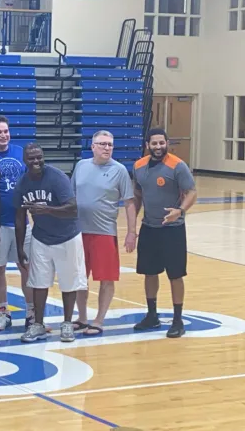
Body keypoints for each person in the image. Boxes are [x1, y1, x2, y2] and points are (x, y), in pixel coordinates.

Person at [15, 143, 87, 344]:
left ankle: (67, 323)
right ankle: (38, 324)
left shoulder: (57, 177)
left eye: (39, 157)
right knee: (38, 282)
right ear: (25, 160)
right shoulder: (23, 183)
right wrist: (19, 247)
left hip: (67, 236)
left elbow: (73, 209)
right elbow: (19, 217)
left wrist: (46, 210)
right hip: (41, 237)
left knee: (69, 282)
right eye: (31, 158)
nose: (36, 161)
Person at [71, 130, 137, 335]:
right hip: (78, 232)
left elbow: (129, 203)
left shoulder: (120, 170)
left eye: (110, 144)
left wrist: (132, 232)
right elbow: (71, 197)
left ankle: (99, 320)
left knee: (106, 278)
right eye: (102, 144)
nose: (107, 148)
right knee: (79, 278)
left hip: (104, 233)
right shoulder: (81, 166)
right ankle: (82, 318)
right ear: (92, 146)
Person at [132, 128, 197, 338]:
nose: (158, 147)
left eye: (162, 143)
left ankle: (178, 320)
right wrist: (132, 226)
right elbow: (137, 194)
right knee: (149, 272)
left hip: (173, 229)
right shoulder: (138, 166)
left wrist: (180, 210)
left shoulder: (178, 166)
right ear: (147, 145)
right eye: (154, 143)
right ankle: (152, 315)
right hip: (149, 227)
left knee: (175, 275)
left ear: (167, 143)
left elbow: (192, 192)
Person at [0, 115, 30, 331]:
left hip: (23, 221)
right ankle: (3, 311)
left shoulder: (20, 152)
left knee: (26, 266)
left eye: (6, 131)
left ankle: (32, 312)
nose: (3, 135)